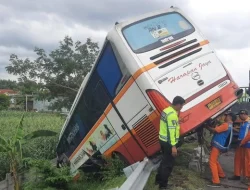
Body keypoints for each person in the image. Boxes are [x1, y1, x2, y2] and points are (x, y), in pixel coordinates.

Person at [155, 96, 185, 190]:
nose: (181, 108)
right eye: (181, 106)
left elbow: (168, 124)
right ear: (178, 104)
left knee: (164, 160)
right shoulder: (172, 114)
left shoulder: (166, 110)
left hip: (162, 140)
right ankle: (163, 186)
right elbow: (171, 131)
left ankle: (158, 180)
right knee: (168, 164)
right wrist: (173, 146)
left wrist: (176, 121)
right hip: (169, 142)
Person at [205, 112, 236, 187]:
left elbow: (215, 130)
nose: (225, 117)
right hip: (220, 145)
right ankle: (221, 174)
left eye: (227, 116)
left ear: (230, 117)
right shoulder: (230, 125)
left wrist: (206, 126)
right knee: (215, 160)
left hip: (217, 145)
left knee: (212, 162)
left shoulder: (226, 125)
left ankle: (216, 181)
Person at [229, 110, 250, 183]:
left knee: (247, 161)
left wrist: (243, 142)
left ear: (244, 114)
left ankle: (247, 176)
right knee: (237, 159)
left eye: (240, 115)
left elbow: (249, 135)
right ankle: (237, 174)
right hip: (240, 143)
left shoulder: (249, 123)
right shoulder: (243, 123)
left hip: (247, 144)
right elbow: (241, 132)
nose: (239, 117)